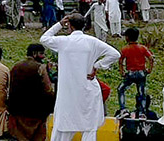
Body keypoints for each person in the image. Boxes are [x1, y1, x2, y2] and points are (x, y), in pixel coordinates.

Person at [40, 13, 120, 141]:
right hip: (87, 89)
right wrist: (97, 65)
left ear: (69, 25)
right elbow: (115, 54)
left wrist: (59, 24)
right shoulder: (92, 42)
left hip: (68, 92)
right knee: (89, 128)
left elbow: (44, 39)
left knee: (64, 127)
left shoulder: (64, 41)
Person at [7, 44, 54, 141]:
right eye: (41, 54)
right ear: (34, 54)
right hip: (36, 112)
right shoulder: (40, 67)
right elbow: (48, 89)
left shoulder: (16, 66)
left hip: (17, 111)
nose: (44, 56)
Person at [117, 27, 154, 119]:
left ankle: (123, 109)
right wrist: (149, 69)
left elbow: (121, 60)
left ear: (127, 37)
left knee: (121, 89)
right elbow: (151, 58)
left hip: (131, 73)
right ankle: (142, 112)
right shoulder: (142, 48)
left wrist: (122, 70)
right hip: (141, 72)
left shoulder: (125, 49)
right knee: (141, 93)